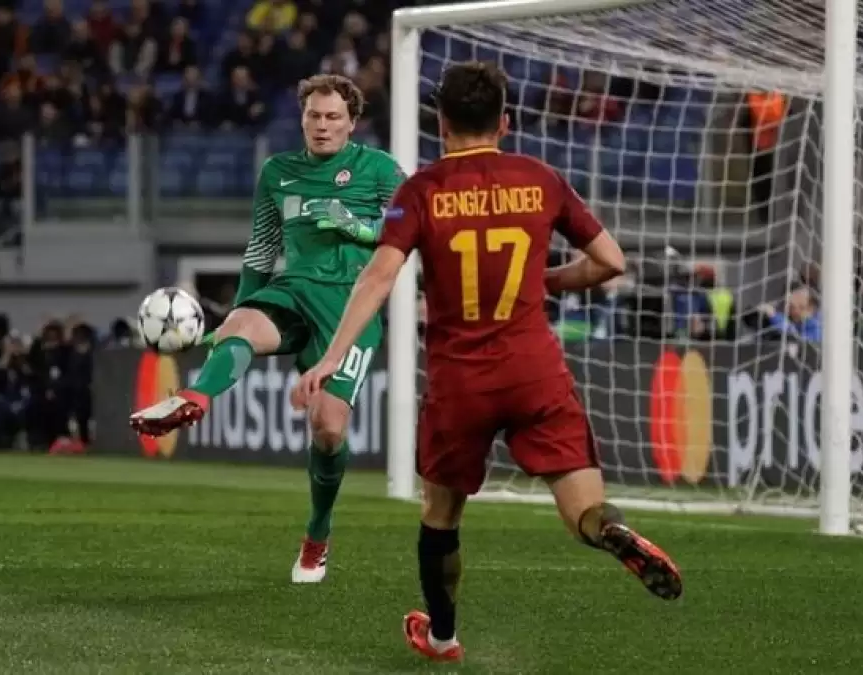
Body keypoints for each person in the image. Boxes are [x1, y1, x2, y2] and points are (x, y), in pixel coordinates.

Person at [291, 61, 683, 663]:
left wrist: (332, 357)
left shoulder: (421, 190)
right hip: (535, 371)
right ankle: (608, 530)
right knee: (582, 505)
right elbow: (611, 261)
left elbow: (379, 277)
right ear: (506, 121)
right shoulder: (541, 178)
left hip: (461, 382)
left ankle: (442, 636)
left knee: (441, 515)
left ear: (441, 123)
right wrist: (546, 280)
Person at [129, 73, 406, 583]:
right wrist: (237, 313)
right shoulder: (277, 172)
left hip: (351, 308)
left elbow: (411, 227)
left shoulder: (381, 169)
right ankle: (196, 398)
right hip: (293, 290)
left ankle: (317, 535)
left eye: (333, 117)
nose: (322, 126)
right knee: (242, 324)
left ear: (352, 123)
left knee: (328, 429)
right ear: (301, 119)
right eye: (313, 116)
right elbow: (260, 252)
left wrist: (359, 226)